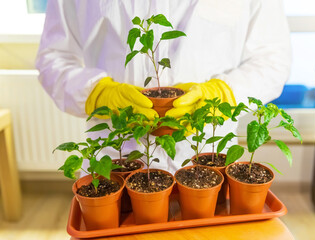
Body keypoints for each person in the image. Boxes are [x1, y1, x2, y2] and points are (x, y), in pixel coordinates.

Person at [36, 0, 291, 174]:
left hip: (208, 155)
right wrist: (95, 93)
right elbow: (53, 57)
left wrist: (223, 94)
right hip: (116, 155)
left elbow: (273, 59)